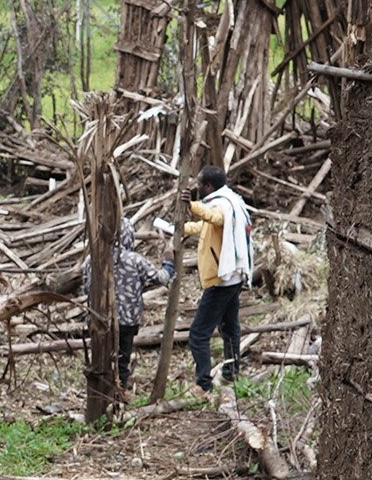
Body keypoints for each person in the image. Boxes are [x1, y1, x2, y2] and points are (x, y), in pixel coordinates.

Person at [81, 220, 175, 396]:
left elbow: (86, 287)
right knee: (122, 360)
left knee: (100, 360)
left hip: (98, 319)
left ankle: (100, 395)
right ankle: (119, 391)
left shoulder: (91, 259)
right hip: (127, 320)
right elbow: (162, 279)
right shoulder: (134, 260)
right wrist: (169, 262)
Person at [184, 164, 253, 391]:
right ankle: (231, 372)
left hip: (221, 280)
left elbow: (214, 218)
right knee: (230, 327)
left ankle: (204, 384)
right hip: (233, 278)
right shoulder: (231, 200)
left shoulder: (222, 205)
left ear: (208, 186)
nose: (197, 187)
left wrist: (191, 205)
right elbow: (205, 226)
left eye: (199, 184)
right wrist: (178, 228)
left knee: (198, 334)